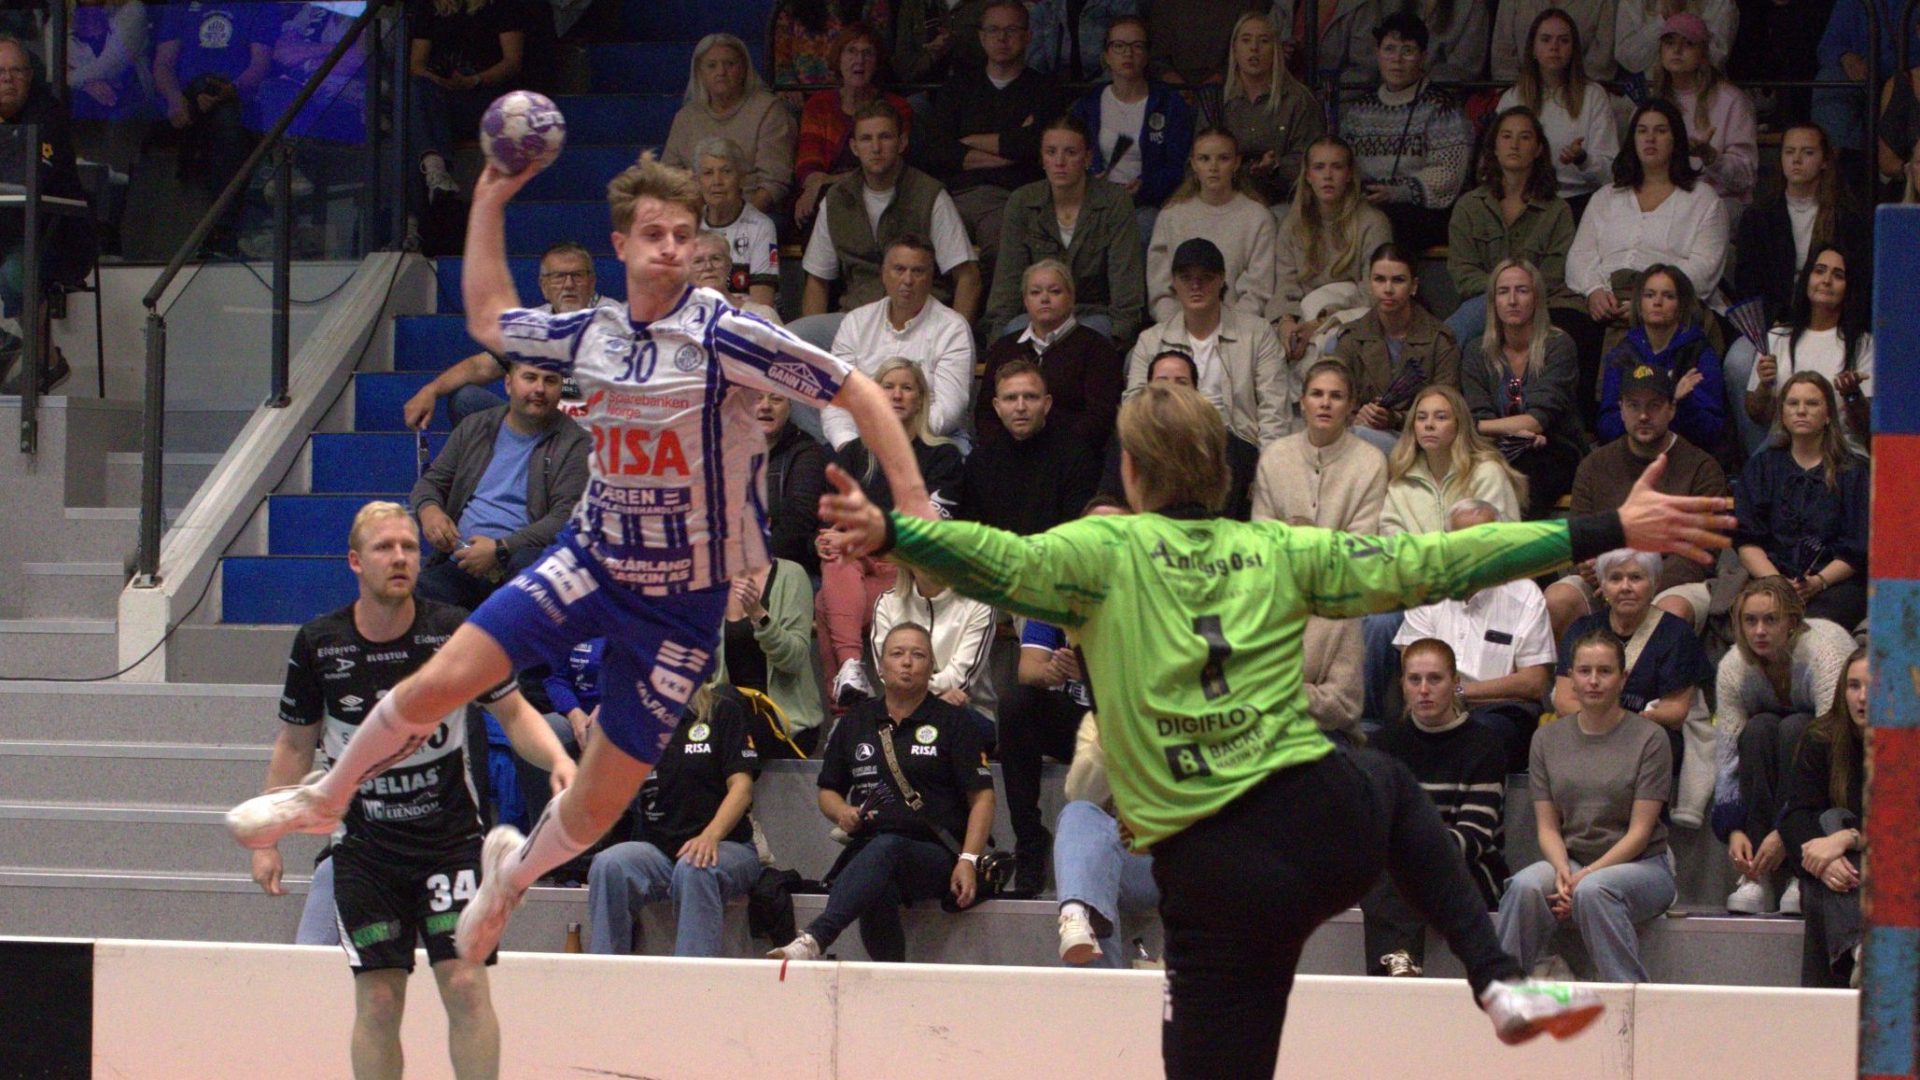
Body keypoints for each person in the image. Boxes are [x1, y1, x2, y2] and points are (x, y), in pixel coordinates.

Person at [812, 379, 1741, 1071]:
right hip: (1314, 825)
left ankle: (1493, 978)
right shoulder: (1276, 548)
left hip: (1207, 877)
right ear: (1222, 474)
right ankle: (1496, 979)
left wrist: (893, 534)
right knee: (1384, 780)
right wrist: (1606, 526)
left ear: (1129, 473)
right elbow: (1441, 561)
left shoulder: (1102, 549)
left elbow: (990, 557)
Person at [224, 151, 936, 971]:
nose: (671, 248)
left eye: (685, 234)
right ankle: (327, 796)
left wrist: (912, 504)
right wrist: (490, 192)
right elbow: (489, 316)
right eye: (654, 234)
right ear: (621, 244)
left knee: (600, 803)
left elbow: (857, 389)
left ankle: (510, 882)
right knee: (444, 676)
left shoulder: (724, 332)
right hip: (592, 561)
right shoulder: (591, 331)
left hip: (681, 604)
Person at [247, 501, 574, 1080]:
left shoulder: (453, 631)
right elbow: (295, 745)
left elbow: (515, 712)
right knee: (378, 999)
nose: (399, 558)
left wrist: (557, 759)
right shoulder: (320, 642)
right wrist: (266, 838)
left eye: (409, 548)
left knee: (465, 985)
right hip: (366, 852)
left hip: (449, 842)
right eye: (384, 548)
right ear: (355, 561)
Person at [774, 622, 996, 962]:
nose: (907, 662)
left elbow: (982, 798)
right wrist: (842, 812)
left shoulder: (953, 721)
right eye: (897, 654)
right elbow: (828, 791)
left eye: (918, 655)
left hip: (937, 852)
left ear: (931, 667)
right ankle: (892, 979)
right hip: (871, 849)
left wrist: (969, 860)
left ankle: (816, 937)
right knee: (877, 883)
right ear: (880, 666)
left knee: (888, 848)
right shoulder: (856, 721)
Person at [1496, 629, 1676, 983]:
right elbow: (1547, 827)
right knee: (1524, 887)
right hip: (1573, 861)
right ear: (1571, 678)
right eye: (1584, 671)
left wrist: (1583, 879)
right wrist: (1564, 871)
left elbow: (1640, 833)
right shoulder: (1546, 739)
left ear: (1623, 678)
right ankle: (1503, 993)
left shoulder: (1651, 738)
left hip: (1642, 866)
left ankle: (1627, 999)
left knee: (1594, 892)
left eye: (1605, 671)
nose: (1593, 681)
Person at [1366, 384, 1527, 721]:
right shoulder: (1401, 481)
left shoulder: (1487, 472)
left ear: (1459, 425)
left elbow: (1500, 544)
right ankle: (1371, 721)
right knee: (1378, 621)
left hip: (1479, 589)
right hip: (1417, 588)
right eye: (1421, 417)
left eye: (1440, 417)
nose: (1429, 424)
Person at [1250, 360, 1386, 741]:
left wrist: (1309, 541)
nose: (1325, 403)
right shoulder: (1275, 456)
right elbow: (1261, 534)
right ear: (1302, 401)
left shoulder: (1371, 462)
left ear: (1351, 406)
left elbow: (1363, 543)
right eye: (1317, 394)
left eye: (1336, 396)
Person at [820, 356, 964, 703]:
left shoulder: (943, 456)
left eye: (907, 388)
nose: (897, 395)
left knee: (825, 604)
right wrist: (824, 540)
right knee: (834, 557)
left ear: (920, 398)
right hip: (859, 570)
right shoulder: (854, 455)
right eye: (888, 387)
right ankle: (851, 672)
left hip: (910, 575)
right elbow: (833, 522)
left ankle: (846, 711)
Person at [1362, 638, 1509, 977]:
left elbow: (1474, 837)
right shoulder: (1381, 745)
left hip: (1470, 872)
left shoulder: (1484, 745)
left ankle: (1397, 969)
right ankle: (1399, 969)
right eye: (1414, 680)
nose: (1424, 690)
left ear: (1455, 682)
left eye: (1435, 679)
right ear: (1403, 685)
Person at [1547, 363, 1727, 640]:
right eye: (1633, 405)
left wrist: (1640, 582)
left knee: (1671, 611)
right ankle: (1568, 670)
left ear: (1671, 409)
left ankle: (1643, 669)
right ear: (1620, 409)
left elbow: (1699, 554)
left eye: (1654, 405)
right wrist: (1596, 570)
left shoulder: (1702, 467)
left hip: (1671, 582)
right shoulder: (1594, 465)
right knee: (1557, 599)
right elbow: (1579, 538)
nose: (1643, 416)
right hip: (1605, 579)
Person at [1712, 577, 1855, 914]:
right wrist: (1733, 827)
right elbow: (1727, 754)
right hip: (1771, 740)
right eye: (1750, 621)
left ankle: (1797, 872)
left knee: (1796, 729)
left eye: (1771, 620)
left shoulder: (1825, 652)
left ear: (1792, 621)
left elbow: (1832, 746)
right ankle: (1756, 874)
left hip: (1833, 752)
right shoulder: (1734, 667)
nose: (1759, 631)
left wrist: (1787, 831)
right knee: (1758, 729)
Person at [587, 683, 760, 956]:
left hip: (726, 846)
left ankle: (690, 978)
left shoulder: (722, 711)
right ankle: (605, 973)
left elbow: (742, 788)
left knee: (695, 866)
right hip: (660, 852)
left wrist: (710, 835)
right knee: (608, 865)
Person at [410, 362, 591, 613]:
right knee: (411, 599)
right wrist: (429, 511)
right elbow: (431, 482)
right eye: (530, 378)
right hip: (461, 561)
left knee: (527, 565)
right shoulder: (475, 426)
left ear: (561, 389)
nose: (540, 388)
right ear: (508, 384)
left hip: (521, 566)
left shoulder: (576, 443)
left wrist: (500, 550)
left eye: (550, 381)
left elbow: (563, 518)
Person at [1395, 498, 1558, 772]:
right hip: (1430, 704)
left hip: (1499, 712)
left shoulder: (1526, 594)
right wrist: (1442, 694)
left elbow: (1534, 683)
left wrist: (1457, 691)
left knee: (1478, 733)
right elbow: (1411, 663)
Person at [911, 0, 1065, 276]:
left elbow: (1036, 147)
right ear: (981, 37)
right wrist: (1011, 147)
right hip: (954, 195)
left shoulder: (1045, 90)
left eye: (1011, 30)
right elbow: (937, 151)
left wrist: (968, 141)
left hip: (1010, 197)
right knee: (921, 249)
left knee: (1004, 250)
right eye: (993, 30)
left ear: (1028, 36)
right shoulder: (958, 87)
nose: (1002, 38)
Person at [1549, 549, 1713, 809]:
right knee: (1548, 740)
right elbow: (1564, 700)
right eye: (1615, 578)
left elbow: (1675, 710)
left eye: (1636, 578)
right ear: (1603, 586)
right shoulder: (1582, 630)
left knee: (1650, 744)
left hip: (1647, 733)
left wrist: (1623, 724)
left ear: (1654, 584)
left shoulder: (1676, 634)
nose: (1625, 587)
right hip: (1588, 728)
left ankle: (1641, 826)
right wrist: (1605, 724)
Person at [1567, 98, 1730, 358]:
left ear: (1676, 140)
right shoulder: (1606, 196)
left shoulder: (1703, 199)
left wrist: (1651, 300)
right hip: (1606, 299)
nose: (1650, 138)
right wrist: (1593, 291)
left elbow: (1705, 266)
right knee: (1568, 333)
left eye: (1660, 131)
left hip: (1668, 304)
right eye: (1642, 131)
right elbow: (1580, 255)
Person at [798, 102, 981, 331]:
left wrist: (954, 337)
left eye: (885, 137)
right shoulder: (836, 198)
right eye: (866, 139)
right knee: (798, 335)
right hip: (855, 321)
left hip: (919, 322)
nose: (876, 148)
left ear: (902, 142)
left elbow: (968, 277)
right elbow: (817, 280)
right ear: (854, 147)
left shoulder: (929, 194)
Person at [403, 242, 601, 431]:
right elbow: (480, 367)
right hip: (538, 427)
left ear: (592, 282)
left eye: (577, 276)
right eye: (559, 277)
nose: (569, 284)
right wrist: (431, 390)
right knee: (465, 400)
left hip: (589, 432)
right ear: (544, 286)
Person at [983, 114, 1145, 343]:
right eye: (1051, 152)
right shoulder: (1022, 202)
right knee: (1015, 331)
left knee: (1088, 338)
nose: (1060, 162)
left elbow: (1126, 284)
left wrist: (1119, 338)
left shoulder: (1115, 202)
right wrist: (998, 341)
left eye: (1070, 152)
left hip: (1093, 314)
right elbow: (1008, 281)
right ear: (1042, 158)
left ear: (1087, 157)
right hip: (1036, 314)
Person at [1126, 237, 1295, 454]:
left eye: (1206, 278)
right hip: (1171, 444)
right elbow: (1135, 407)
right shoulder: (1151, 340)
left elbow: (1275, 410)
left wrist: (1266, 465)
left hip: (1236, 444)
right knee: (1119, 445)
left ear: (1221, 279)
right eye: (1186, 278)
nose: (1196, 286)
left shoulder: (1258, 333)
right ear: (1174, 282)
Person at [1734, 371, 1870, 629]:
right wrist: (1778, 583)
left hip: (1834, 584)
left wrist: (1818, 582)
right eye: (1793, 403)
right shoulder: (1762, 466)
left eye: (1812, 403)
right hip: (1768, 579)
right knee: (1760, 620)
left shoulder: (1853, 472)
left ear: (1828, 415)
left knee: (1808, 630)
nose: (1801, 411)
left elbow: (1857, 548)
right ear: (1782, 413)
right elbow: (1747, 539)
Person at [1445, 106, 1582, 349]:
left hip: (1541, 305)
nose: (1514, 145)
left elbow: (1554, 273)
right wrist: (1503, 291)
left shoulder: (1557, 210)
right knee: (1475, 314)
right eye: (1506, 136)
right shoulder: (1469, 206)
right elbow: (1462, 272)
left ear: (1538, 149)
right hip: (1484, 302)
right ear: (1494, 147)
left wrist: (1516, 294)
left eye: (1525, 137)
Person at [820, 235, 976, 449]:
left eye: (918, 271)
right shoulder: (855, 322)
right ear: (884, 275)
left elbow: (949, 410)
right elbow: (836, 399)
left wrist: (897, 441)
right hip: (862, 440)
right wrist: (849, 446)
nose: (908, 280)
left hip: (932, 440)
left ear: (931, 278)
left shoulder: (953, 328)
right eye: (899, 269)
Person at [0, 34, 92, 394]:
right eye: (0, 72)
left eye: (16, 71)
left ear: (29, 76)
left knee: (15, 270)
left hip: (57, 235)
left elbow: (32, 176)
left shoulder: (46, 113)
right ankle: (5, 344)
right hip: (7, 231)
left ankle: (45, 362)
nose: (8, 79)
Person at [1338, 11, 1473, 252]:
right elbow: (1343, 162)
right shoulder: (1359, 110)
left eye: (1407, 51)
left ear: (1423, 57)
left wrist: (1401, 192)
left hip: (1419, 212)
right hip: (1364, 204)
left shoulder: (1441, 107)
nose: (1397, 59)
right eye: (1389, 49)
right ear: (1377, 53)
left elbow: (1449, 173)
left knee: (1382, 223)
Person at [1462, 258, 1586, 516]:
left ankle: (1515, 538)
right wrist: (1506, 433)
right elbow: (1478, 413)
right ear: (1493, 301)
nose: (1512, 300)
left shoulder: (1559, 345)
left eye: (1522, 290)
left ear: (1536, 298)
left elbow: (1537, 421)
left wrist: (1478, 427)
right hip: (1495, 446)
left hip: (1554, 447)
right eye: (1503, 292)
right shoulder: (1476, 352)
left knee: (1528, 467)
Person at [151, 0, 275, 253]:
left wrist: (229, 91)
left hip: (238, 99)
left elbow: (259, 65)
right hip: (186, 97)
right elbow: (163, 63)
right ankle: (222, 231)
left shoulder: (260, 6)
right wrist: (174, 98)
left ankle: (223, 231)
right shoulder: (179, 6)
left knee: (226, 115)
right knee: (205, 95)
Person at [1780, 647, 1868, 988]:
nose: (1862, 698)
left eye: (1874, 686)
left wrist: (1848, 838)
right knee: (1826, 871)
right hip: (1837, 866)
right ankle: (1860, 953)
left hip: (1896, 860)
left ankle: (1855, 955)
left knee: (1836, 829)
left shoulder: (1909, 743)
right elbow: (1795, 817)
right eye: (1854, 686)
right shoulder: (1822, 737)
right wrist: (1825, 861)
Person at [975, 259, 1125, 448]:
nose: (1044, 298)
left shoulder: (1097, 348)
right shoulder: (1004, 348)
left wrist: (1054, 451)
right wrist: (1008, 450)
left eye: (1055, 291)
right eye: (1035, 292)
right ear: (1025, 301)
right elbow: (986, 413)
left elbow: (1100, 417)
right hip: (1008, 452)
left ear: (1071, 298)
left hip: (1073, 454)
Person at [1270, 135, 1392, 363]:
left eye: (1337, 167)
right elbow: (1285, 285)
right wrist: (1286, 322)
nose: (1328, 176)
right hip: (1304, 315)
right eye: (1319, 167)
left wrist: (1321, 322)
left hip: (1351, 315)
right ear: (1308, 175)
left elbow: (1374, 290)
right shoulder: (1293, 225)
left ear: (1349, 174)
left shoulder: (1373, 222)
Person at [1053, 712, 1161, 966]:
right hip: (1141, 859)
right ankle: (1074, 914)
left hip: (1200, 856)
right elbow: (1080, 795)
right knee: (1078, 813)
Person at [1069, 15, 1194, 232]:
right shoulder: (1088, 105)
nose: (1128, 53)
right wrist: (1089, 180)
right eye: (1119, 46)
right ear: (1106, 55)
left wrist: (1145, 186)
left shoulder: (1169, 103)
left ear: (1146, 56)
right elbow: (1071, 155)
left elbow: (1178, 165)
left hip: (1149, 204)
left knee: (1144, 225)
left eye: (1137, 46)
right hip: (1096, 201)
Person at [1334, 242, 1462, 452]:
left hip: (1423, 441)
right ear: (1369, 284)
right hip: (1361, 434)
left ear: (1414, 286)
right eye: (1379, 279)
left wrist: (1395, 418)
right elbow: (1335, 399)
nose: (1388, 289)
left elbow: (1448, 409)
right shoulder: (1351, 338)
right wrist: (1357, 415)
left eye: (1398, 280)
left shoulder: (1440, 340)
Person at [407, 0, 535, 206]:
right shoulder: (429, 6)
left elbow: (512, 62)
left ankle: (415, 215)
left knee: (415, 123)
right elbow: (417, 64)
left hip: (485, 95)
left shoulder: (502, 6)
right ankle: (434, 167)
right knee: (416, 91)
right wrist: (437, 80)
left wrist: (475, 80)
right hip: (443, 95)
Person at [1495, 10, 1619, 222]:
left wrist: (1583, 159)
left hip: (1580, 202)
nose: (1554, 47)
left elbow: (1611, 172)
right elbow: (1494, 158)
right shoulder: (1512, 98)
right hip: (1525, 200)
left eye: (1563, 40)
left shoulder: (1593, 95)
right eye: (1546, 39)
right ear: (1532, 48)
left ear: (1573, 50)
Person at [1145, 127, 1276, 326]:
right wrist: (1182, 328)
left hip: (1239, 329)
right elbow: (1160, 290)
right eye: (1204, 159)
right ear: (1193, 164)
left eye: (1223, 158)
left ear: (1236, 163)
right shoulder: (1171, 216)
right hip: (1178, 328)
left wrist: (1225, 330)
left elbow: (1258, 290)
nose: (1213, 167)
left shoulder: (1258, 217)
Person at [1746, 245, 1873, 449]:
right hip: (1784, 451)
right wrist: (1765, 386)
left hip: (1842, 452)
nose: (1826, 280)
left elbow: (1868, 427)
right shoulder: (1776, 338)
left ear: (1849, 288)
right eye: (1819, 271)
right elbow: (1757, 416)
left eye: (1838, 275)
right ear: (1807, 279)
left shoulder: (1864, 344)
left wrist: (1852, 394)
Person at [1595, 264, 1727, 454]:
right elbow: (1606, 425)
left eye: (1668, 296)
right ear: (1639, 304)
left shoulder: (1700, 354)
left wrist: (1684, 404)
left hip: (1684, 456)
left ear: (1681, 306)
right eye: (1649, 295)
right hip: (1632, 454)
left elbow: (1711, 431)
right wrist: (1639, 418)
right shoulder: (1622, 354)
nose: (1657, 302)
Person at [663, 33, 797, 214]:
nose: (721, 72)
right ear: (699, 72)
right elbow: (670, 178)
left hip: (755, 212)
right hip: (698, 215)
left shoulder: (768, 110)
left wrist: (740, 223)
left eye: (730, 64)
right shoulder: (686, 117)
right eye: (712, 65)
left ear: (744, 69)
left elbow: (774, 181)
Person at [793, 26, 914, 225]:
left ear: (877, 62)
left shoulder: (897, 107)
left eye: (868, 53)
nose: (859, 60)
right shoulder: (818, 105)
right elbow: (808, 165)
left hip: (882, 194)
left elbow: (890, 167)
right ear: (838, 59)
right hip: (827, 195)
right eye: (851, 51)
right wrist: (815, 184)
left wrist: (826, 181)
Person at [960, 359, 1101, 526]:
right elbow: (970, 531)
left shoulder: (1076, 457)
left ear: (1047, 404)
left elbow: (1075, 530)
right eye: (1010, 398)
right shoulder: (979, 462)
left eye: (1030, 397)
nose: (1020, 407)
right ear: (997, 407)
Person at [1651, 13, 1756, 218]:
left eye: (1688, 43)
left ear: (1703, 53)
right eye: (1669, 43)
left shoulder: (1732, 100)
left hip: (1718, 202)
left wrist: (1711, 158)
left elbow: (1746, 178)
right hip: (1665, 202)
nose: (1677, 50)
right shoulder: (1652, 104)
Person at [1215, 11, 1322, 207]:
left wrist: (1276, 167)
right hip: (1225, 199)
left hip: (1284, 201)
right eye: (1246, 40)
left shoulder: (1299, 100)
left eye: (1264, 41)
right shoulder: (1216, 99)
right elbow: (1198, 157)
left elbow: (1312, 159)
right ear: (1234, 50)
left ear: (1276, 50)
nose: (1254, 48)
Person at [721, 555, 823, 744]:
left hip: (783, 719)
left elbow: (795, 660)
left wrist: (759, 615)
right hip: (728, 712)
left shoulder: (791, 575)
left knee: (725, 736)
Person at [693, 137, 779, 309]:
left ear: (741, 178)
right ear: (698, 181)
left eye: (726, 172)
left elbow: (762, 306)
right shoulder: (690, 226)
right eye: (708, 173)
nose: (717, 181)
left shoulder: (761, 227)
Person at [755, 390, 829, 577]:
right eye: (756, 398)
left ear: (790, 407)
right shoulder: (726, 448)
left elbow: (798, 525)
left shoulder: (807, 453)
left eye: (776, 399)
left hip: (784, 566)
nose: (765, 406)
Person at [770, 0, 892, 90]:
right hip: (800, 92)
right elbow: (781, 55)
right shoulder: (789, 6)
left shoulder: (872, 4)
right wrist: (788, 84)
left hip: (855, 90)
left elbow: (879, 51)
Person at [1491, 0, 1616, 82]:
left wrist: (1578, 91)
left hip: (1581, 93)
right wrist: (1519, 93)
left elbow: (1602, 58)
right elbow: (1503, 52)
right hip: (1520, 90)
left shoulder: (1602, 2)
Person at [1615, 0, 1735, 79]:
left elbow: (1716, 59)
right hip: (1649, 94)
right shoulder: (1633, 3)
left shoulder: (1721, 3)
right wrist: (1662, 20)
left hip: (1704, 94)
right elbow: (1629, 59)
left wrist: (1686, 23)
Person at [1026, 0, 1138, 82]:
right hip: (1053, 92)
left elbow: (1129, 54)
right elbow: (1034, 62)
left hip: (1109, 89)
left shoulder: (1121, 4)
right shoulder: (1046, 8)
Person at [689, 230, 781, 324]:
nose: (708, 266)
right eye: (698, 261)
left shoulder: (763, 316)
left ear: (729, 265)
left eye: (716, 259)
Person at [890, 0, 991, 84]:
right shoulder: (913, 5)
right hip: (924, 88)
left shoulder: (986, 4)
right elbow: (903, 66)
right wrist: (932, 54)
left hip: (974, 87)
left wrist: (958, 43)